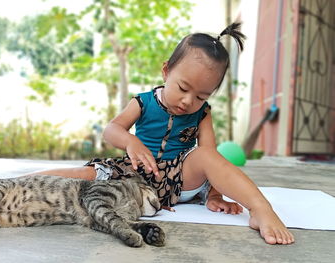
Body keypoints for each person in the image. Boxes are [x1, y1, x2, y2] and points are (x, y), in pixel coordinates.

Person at [31, 23, 294, 245]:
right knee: (81, 175)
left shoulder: (202, 113)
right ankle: (18, 183)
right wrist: (130, 142)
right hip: (132, 173)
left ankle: (260, 208)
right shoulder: (144, 102)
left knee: (204, 155)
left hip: (177, 179)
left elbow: (211, 158)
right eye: (182, 88)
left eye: (201, 96)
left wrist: (213, 195)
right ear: (167, 71)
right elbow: (112, 130)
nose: (187, 101)